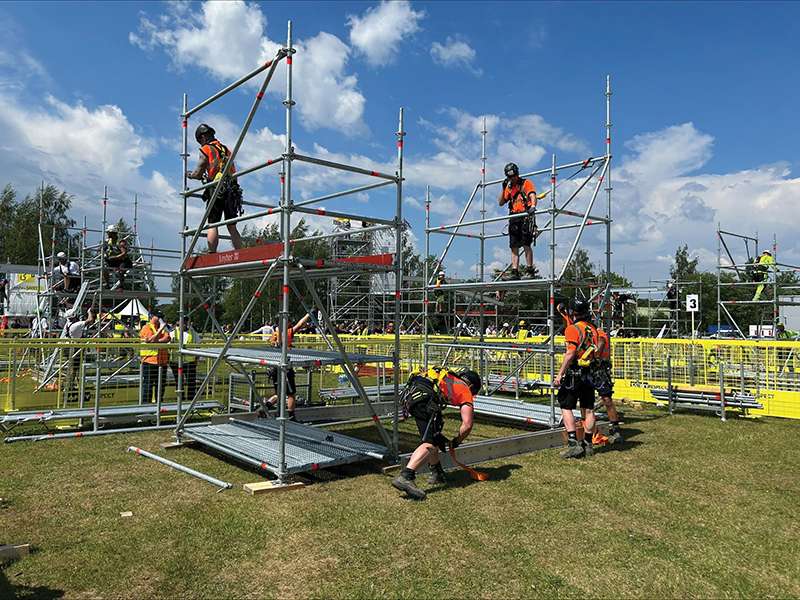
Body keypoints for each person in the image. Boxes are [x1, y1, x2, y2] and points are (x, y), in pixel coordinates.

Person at [392, 367, 482, 500]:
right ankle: (406, 476)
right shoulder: (465, 389)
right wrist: (456, 441)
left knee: (434, 436)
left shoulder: (448, 379)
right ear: (471, 386)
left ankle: (437, 472)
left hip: (412, 395)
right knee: (430, 442)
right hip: (425, 399)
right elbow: (467, 425)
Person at [187, 123, 243, 253]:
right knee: (232, 225)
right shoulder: (226, 149)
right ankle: (241, 253)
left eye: (200, 140)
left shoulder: (206, 149)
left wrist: (190, 175)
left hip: (217, 189)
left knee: (213, 223)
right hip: (232, 189)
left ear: (203, 137)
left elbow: (198, 172)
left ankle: (212, 253)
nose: (201, 143)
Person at [554, 300, 598, 459]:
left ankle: (573, 443)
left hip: (574, 372)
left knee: (565, 405)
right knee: (588, 408)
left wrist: (560, 374)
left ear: (573, 313)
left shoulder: (572, 329)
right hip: (589, 372)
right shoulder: (592, 329)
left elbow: (570, 352)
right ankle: (588, 443)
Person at [262, 314, 311, 421]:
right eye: (288, 321)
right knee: (291, 394)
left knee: (279, 393)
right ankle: (291, 417)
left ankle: (264, 408)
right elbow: (299, 325)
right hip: (284, 367)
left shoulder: (274, 334)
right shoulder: (287, 332)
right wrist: (308, 314)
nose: (290, 323)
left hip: (274, 367)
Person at [498, 162, 537, 280]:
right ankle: (515, 271)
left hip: (525, 215)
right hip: (514, 217)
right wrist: (503, 188)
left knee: (526, 244)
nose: (512, 178)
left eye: (514, 176)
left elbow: (532, 195)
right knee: (514, 246)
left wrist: (533, 206)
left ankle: (530, 271)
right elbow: (501, 202)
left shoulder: (525, 183)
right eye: (510, 177)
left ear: (517, 174)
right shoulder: (509, 187)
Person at [139, 311, 170, 404]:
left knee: (160, 386)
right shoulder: (146, 327)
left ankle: (159, 404)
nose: (160, 319)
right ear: (152, 317)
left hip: (162, 361)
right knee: (148, 386)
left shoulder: (163, 327)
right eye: (158, 316)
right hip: (149, 361)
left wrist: (157, 340)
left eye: (161, 317)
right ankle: (146, 406)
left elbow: (167, 338)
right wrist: (160, 330)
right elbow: (150, 340)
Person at [170, 318, 199, 403]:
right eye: (182, 321)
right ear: (178, 322)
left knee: (191, 382)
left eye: (186, 321)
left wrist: (196, 359)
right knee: (179, 382)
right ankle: (180, 399)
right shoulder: (172, 333)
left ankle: (191, 400)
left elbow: (198, 346)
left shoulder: (193, 333)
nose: (184, 323)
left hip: (190, 362)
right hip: (176, 362)